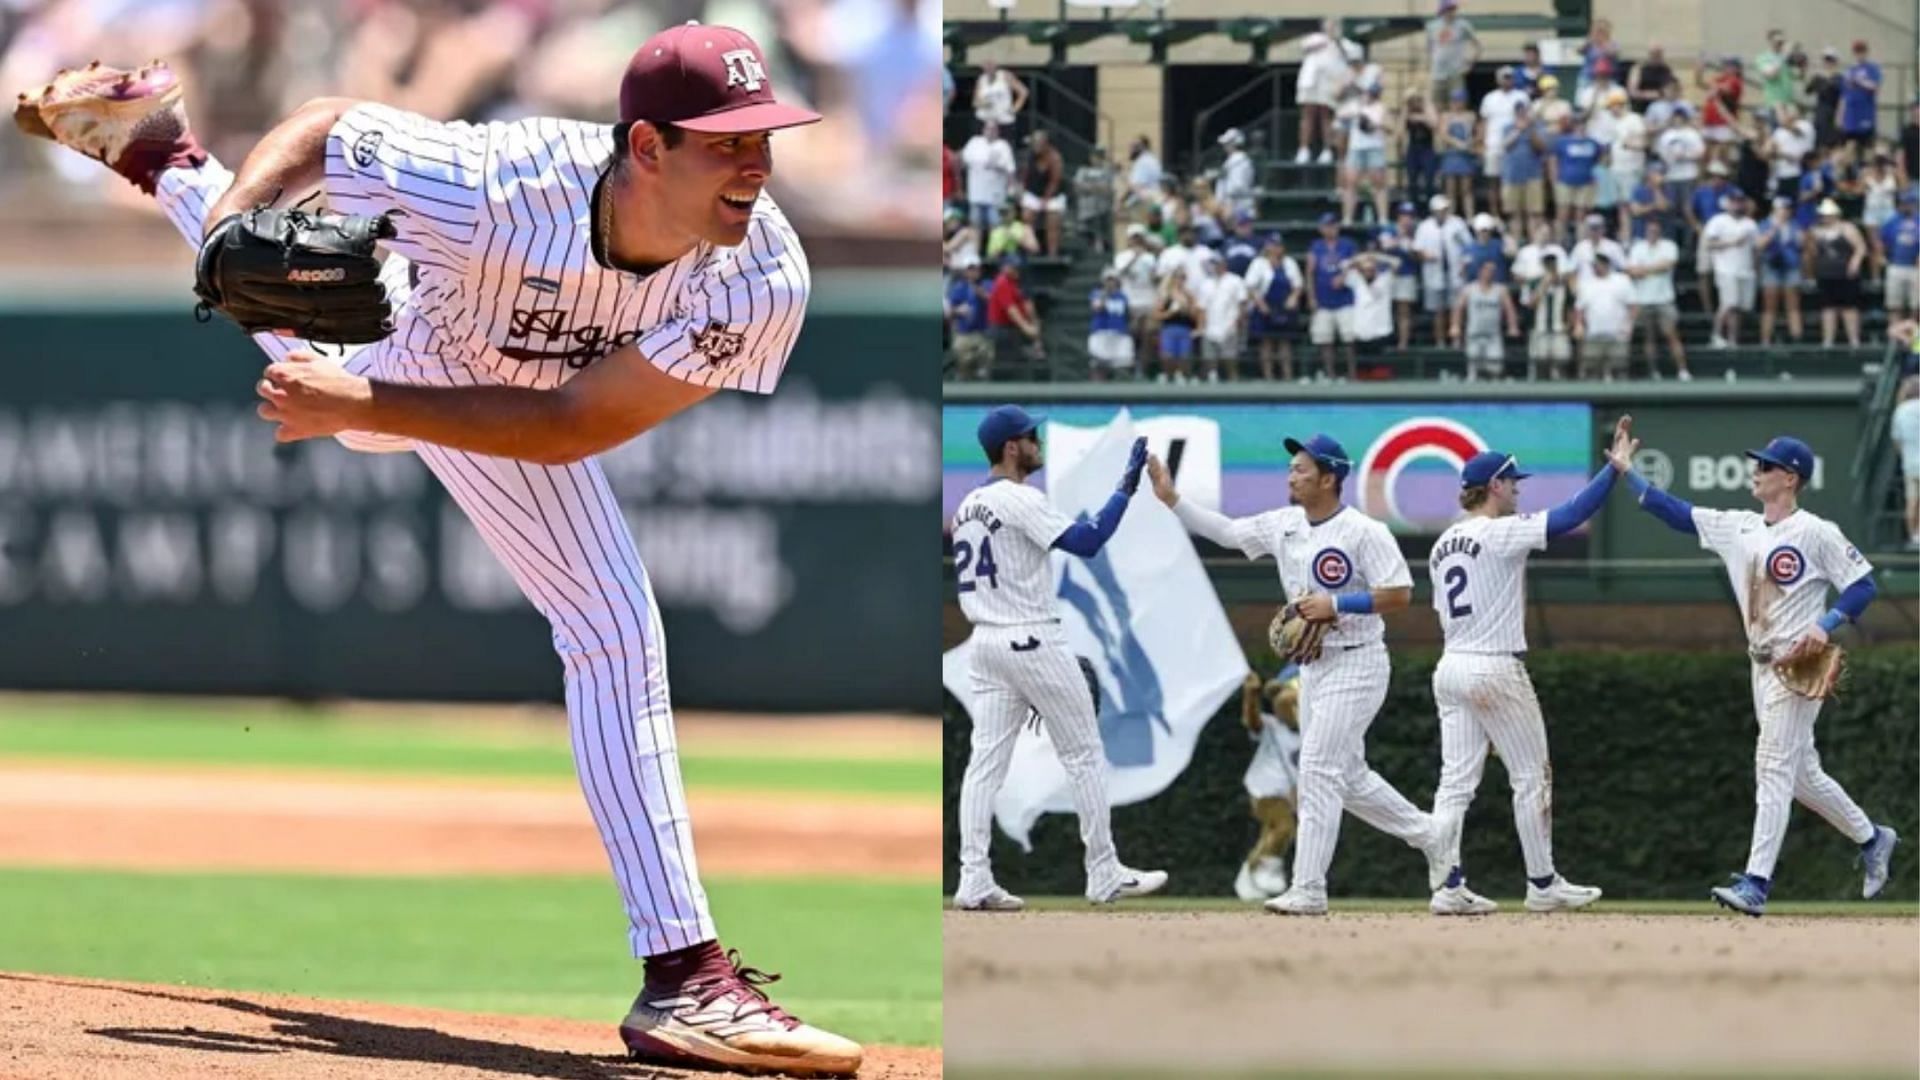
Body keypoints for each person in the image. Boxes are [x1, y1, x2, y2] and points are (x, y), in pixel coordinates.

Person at [17, 33, 862, 1074]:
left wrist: (364, 403)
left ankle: (682, 978)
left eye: (765, 138)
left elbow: (568, 423)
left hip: (505, 400)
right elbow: (328, 126)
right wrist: (241, 227)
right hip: (431, 333)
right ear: (646, 145)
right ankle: (171, 163)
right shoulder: (504, 184)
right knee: (290, 307)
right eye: (728, 144)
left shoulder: (763, 274)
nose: (757, 166)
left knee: (606, 619)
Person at [1146, 437, 1452, 917]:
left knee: (1316, 771)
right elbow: (1227, 532)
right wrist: (1173, 500)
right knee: (1347, 777)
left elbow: (1399, 593)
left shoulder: (1363, 531)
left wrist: (1338, 603)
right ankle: (1432, 834)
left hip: (1358, 660)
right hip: (1314, 668)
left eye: (1301, 470)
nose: (1291, 476)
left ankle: (1309, 888)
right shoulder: (1284, 524)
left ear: (1328, 478)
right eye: (1290, 468)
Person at [1616, 434, 1897, 917]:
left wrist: (1825, 623)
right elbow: (1673, 511)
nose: (1757, 470)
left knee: (1771, 767)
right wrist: (1626, 470)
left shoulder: (1816, 531)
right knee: (1801, 776)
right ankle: (1873, 837)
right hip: (1760, 665)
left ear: (1790, 477)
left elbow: (1862, 585)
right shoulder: (1739, 527)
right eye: (1758, 464)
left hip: (1797, 670)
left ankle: (1756, 884)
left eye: (1766, 465)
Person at [952, 409, 1168, 911]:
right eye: (1031, 436)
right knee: (1085, 753)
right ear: (1011, 447)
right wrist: (1125, 490)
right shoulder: (1019, 498)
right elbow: (1088, 542)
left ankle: (974, 878)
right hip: (1031, 638)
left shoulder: (968, 505)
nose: (1037, 442)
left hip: (986, 643)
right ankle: (1103, 871)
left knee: (983, 765)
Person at [1426, 427, 1635, 915]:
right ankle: (1542, 883)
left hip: (1450, 664)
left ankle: (1447, 885)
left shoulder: (1443, 543)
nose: (1518, 489)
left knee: (1454, 783)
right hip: (1494, 665)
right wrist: (1615, 469)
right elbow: (1572, 515)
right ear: (1494, 486)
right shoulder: (1500, 531)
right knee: (1531, 778)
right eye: (1512, 482)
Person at [1233, 668, 1303, 901]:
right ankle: (1268, 869)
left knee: (1270, 837)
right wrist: (1251, 695)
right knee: (1285, 827)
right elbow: (1252, 721)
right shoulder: (1273, 727)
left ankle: (1248, 873)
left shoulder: (1308, 733)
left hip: (1285, 792)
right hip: (1265, 789)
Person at [1627, 217, 1690, 379]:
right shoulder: (1637, 248)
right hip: (1643, 300)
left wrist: (1644, 270)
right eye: (1650, 230)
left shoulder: (1669, 246)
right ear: (1646, 232)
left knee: (1672, 335)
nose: (1652, 233)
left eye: (1655, 230)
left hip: (1664, 300)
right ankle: (1654, 372)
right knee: (1649, 338)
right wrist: (1653, 268)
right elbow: (1632, 272)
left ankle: (1683, 371)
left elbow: (1667, 265)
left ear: (1660, 232)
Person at [1702, 191, 1759, 348]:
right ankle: (1715, 335)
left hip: (1745, 270)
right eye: (1734, 201)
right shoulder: (1718, 221)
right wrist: (1731, 242)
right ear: (1728, 203)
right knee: (1728, 303)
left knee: (1739, 307)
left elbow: (1755, 249)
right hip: (1725, 269)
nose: (1737, 205)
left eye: (1740, 201)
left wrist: (1755, 269)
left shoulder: (1750, 224)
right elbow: (1709, 244)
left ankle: (1733, 339)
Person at [1415, 194, 1474, 346]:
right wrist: (1426, 256)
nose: (1442, 212)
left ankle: (1457, 340)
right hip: (1434, 274)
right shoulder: (1425, 227)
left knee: (1457, 309)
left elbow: (1468, 247)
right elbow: (1417, 250)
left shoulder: (1458, 224)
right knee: (1438, 311)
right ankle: (1440, 341)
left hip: (1456, 273)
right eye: (1438, 210)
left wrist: (1464, 265)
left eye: (1444, 209)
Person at [1809, 199, 1868, 347]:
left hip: (1846, 274)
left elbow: (1861, 248)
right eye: (1823, 215)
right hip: (1826, 274)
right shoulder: (1816, 231)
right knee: (1828, 308)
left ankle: (1854, 340)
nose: (1825, 217)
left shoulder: (1848, 228)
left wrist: (1854, 264)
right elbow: (1813, 252)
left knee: (1849, 307)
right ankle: (1828, 341)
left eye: (1828, 214)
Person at [1306, 214, 1359, 378]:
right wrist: (1311, 297)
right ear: (1321, 228)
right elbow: (1310, 272)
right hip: (1323, 299)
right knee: (1324, 339)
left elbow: (1356, 265)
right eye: (1327, 226)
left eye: (1333, 225)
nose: (1331, 229)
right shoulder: (1316, 246)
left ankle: (1352, 374)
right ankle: (1330, 375)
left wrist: (1343, 278)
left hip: (1345, 299)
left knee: (1349, 339)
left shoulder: (1348, 245)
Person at [1297, 19, 1356, 164]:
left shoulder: (1345, 43)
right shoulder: (1315, 38)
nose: (1331, 28)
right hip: (1310, 81)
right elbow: (1304, 47)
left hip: (1329, 83)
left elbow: (1352, 56)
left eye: (1334, 25)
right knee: (1308, 114)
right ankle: (1303, 150)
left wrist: (1337, 42)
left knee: (1326, 116)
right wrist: (1326, 40)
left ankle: (1327, 150)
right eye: (1328, 25)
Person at [1246, 235, 1304, 380]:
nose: (1275, 248)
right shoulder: (1258, 263)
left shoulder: (1289, 263)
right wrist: (1261, 305)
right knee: (1266, 343)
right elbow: (1250, 286)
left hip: (1285, 306)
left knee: (1285, 343)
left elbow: (1298, 285)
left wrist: (1293, 298)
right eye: (1272, 245)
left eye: (1278, 245)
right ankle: (1268, 376)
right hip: (1264, 306)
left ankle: (1287, 376)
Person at [1572, 254, 1637, 380]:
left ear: (1606, 264)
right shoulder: (1586, 284)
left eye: (1597, 264)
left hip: (1618, 335)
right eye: (1593, 265)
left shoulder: (1622, 280)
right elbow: (1579, 309)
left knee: (1619, 370)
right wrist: (1578, 325)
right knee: (1591, 372)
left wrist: (1629, 325)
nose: (1595, 268)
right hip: (1593, 335)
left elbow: (1633, 306)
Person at [1453, 259, 1520, 381]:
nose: (1490, 273)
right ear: (1481, 271)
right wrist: (1455, 326)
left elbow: (1509, 309)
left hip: (1493, 336)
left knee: (1495, 369)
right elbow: (1458, 309)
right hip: (1474, 335)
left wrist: (1513, 326)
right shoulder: (1469, 289)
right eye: (1488, 270)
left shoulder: (1500, 289)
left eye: (1493, 271)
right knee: (1473, 370)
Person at [1756, 197, 1807, 346]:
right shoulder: (1765, 224)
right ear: (1775, 209)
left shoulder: (1794, 225)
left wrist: (1801, 239)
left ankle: (1797, 340)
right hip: (1771, 266)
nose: (1785, 212)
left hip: (1790, 266)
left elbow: (1801, 245)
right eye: (1782, 208)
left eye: (1788, 209)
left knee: (1793, 305)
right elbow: (1759, 245)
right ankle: (1765, 341)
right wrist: (1773, 231)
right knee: (1770, 307)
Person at [1480, 67, 1530, 219]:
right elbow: (1484, 122)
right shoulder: (1489, 98)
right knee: (1493, 182)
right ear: (1498, 79)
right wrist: (1482, 144)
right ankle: (1495, 215)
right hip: (1493, 145)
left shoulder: (1522, 96)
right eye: (1504, 77)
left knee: (1512, 182)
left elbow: (1527, 119)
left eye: (1509, 77)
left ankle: (1512, 215)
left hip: (1515, 145)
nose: (1507, 80)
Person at [1339, 84, 1393, 225]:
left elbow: (1389, 127)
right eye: (1369, 93)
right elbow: (1340, 115)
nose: (1371, 96)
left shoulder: (1381, 108)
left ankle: (1382, 217)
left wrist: (1376, 125)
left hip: (1374, 147)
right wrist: (1357, 113)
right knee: (1350, 182)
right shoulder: (1355, 105)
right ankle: (1347, 218)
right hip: (1356, 148)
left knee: (1378, 183)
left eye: (1374, 94)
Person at [1196, 251, 1251, 382]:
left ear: (1224, 264)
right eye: (1212, 264)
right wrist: (1201, 326)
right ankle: (1211, 382)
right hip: (1210, 326)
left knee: (1230, 358)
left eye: (1217, 264)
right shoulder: (1206, 283)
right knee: (1209, 359)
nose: (1214, 267)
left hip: (1229, 325)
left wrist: (1239, 321)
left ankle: (1233, 380)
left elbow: (1242, 302)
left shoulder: (1235, 280)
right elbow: (1201, 308)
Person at [1113, 225, 1162, 369]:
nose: (1136, 241)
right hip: (1130, 299)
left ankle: (1142, 366)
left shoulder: (1150, 257)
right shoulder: (1121, 256)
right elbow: (1120, 273)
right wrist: (1135, 257)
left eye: (1139, 238)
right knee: (1132, 333)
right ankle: (1129, 364)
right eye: (1134, 238)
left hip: (1147, 298)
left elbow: (1155, 279)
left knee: (1147, 334)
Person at [1342, 252, 1400, 372]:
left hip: (1381, 330)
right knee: (1363, 369)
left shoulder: (1385, 279)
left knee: (1380, 369)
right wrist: (1362, 258)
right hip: (1361, 331)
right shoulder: (1356, 281)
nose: (1368, 272)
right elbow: (1344, 265)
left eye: (1371, 269)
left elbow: (1396, 263)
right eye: (1366, 270)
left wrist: (1376, 257)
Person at [1656, 105, 1707, 240]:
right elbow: (1662, 155)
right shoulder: (1666, 135)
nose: (1678, 120)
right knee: (1670, 211)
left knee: (1688, 211)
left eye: (1680, 117)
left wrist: (1685, 156)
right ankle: (1670, 241)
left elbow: (1700, 153)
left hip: (1688, 176)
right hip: (1671, 177)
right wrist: (1671, 157)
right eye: (1675, 117)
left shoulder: (1692, 134)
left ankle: (1687, 244)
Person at [1548, 113, 1602, 238]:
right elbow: (1553, 160)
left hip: (1585, 182)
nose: (1580, 126)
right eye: (1578, 123)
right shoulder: (1563, 141)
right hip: (1565, 180)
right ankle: (1559, 241)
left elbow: (1598, 159)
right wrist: (1554, 178)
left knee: (1581, 213)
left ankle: (1580, 241)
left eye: (1583, 123)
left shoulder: (1593, 143)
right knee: (1562, 213)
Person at [988, 256, 1045, 373]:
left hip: (1012, 331)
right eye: (1013, 267)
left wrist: (1034, 323)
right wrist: (1027, 329)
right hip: (1001, 331)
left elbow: (1026, 304)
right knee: (1006, 369)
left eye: (1017, 267)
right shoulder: (1002, 282)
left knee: (1018, 366)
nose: (1016, 270)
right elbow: (1011, 311)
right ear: (1005, 268)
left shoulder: (1014, 282)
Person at [1605, 89, 1649, 239]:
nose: (1611, 110)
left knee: (1633, 205)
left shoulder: (1634, 119)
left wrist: (1628, 144)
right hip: (1617, 169)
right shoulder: (1615, 123)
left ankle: (1635, 236)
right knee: (1621, 206)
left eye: (1613, 106)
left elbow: (1642, 143)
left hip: (1631, 169)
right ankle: (1626, 236)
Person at [1500, 101, 1547, 239]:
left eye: (1524, 111)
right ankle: (1516, 243)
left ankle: (1535, 243)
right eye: (1519, 112)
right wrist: (1519, 130)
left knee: (1534, 212)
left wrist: (1530, 130)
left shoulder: (1537, 127)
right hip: (1512, 175)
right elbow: (1505, 145)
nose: (1522, 114)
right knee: (1514, 213)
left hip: (1533, 176)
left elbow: (1541, 147)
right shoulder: (1507, 127)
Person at [1524, 253, 1575, 380]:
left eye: (1553, 264)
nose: (1551, 267)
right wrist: (1543, 285)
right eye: (1548, 264)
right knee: (1539, 363)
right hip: (1540, 329)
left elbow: (1570, 306)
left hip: (1559, 329)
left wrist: (1569, 325)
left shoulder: (1564, 284)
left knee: (1560, 364)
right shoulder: (1534, 283)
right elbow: (1530, 304)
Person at [1381, 203, 1424, 348]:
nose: (1407, 219)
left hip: (1407, 274)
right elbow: (1385, 246)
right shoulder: (1389, 229)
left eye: (1410, 216)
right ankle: (1385, 339)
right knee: (1386, 308)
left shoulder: (1417, 232)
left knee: (1404, 310)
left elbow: (1418, 255)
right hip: (1388, 274)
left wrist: (1411, 246)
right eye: (1404, 215)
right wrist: (1401, 237)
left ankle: (1403, 343)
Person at [961, 119, 1016, 233]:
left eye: (993, 129)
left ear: (998, 131)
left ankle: (993, 250)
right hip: (976, 194)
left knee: (995, 226)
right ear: (983, 130)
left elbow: (1010, 169)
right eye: (988, 128)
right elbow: (964, 161)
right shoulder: (974, 142)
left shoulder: (1003, 146)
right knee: (975, 226)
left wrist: (1010, 187)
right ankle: (975, 250)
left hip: (995, 195)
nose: (990, 131)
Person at [1426, 0, 1482, 107]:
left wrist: (1470, 64)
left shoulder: (1463, 25)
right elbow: (1429, 48)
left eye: (1453, 9)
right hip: (1437, 73)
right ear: (1442, 10)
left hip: (1456, 73)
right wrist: (1430, 65)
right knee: (1437, 105)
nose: (1452, 11)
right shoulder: (1432, 26)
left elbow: (1478, 46)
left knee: (1458, 104)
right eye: (1448, 9)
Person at [1020, 130, 1065, 257]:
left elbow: (1055, 181)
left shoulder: (1055, 157)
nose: (1035, 146)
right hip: (1033, 193)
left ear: (1045, 144)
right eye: (1034, 143)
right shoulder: (1030, 156)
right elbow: (1025, 176)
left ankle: (1052, 253)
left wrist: (1045, 200)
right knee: (1027, 216)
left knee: (1053, 219)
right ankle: (1031, 249)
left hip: (1052, 195)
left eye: (1038, 143)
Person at [946, 257, 993, 379]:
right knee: (962, 359)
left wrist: (980, 294)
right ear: (965, 271)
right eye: (970, 269)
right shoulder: (959, 287)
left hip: (983, 333)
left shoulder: (987, 284)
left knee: (984, 366)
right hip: (964, 333)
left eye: (975, 268)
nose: (973, 272)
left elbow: (992, 302)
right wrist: (958, 310)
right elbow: (949, 312)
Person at [1878, 191, 1920, 322]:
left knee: (1916, 305)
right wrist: (1881, 255)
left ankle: (1916, 338)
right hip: (1896, 265)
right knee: (1894, 305)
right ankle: (1896, 336)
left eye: (1909, 203)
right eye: (1903, 203)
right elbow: (1881, 240)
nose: (1906, 206)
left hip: (1916, 267)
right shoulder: (1892, 222)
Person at [1437, 88, 1479, 216]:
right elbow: (1443, 134)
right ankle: (1450, 215)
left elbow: (1476, 133)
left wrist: (1470, 143)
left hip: (1465, 155)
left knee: (1467, 189)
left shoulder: (1470, 116)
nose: (1457, 104)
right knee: (1450, 190)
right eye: (1454, 101)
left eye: (1459, 101)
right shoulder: (1446, 116)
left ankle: (1470, 217)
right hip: (1452, 154)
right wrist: (1458, 143)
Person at [1087, 269, 1135, 381]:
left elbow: (1128, 314)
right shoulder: (1096, 294)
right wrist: (1105, 294)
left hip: (1119, 334)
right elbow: (1096, 308)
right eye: (1108, 280)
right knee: (1099, 367)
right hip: (1101, 334)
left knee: (1123, 366)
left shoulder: (1123, 296)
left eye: (1112, 280)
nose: (1110, 282)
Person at [1763, 103, 1816, 202]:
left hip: (1799, 173)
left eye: (1789, 110)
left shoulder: (1805, 125)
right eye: (1786, 110)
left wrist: (1778, 107)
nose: (1786, 113)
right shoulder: (1779, 131)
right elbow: (1768, 150)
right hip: (1781, 174)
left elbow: (1791, 128)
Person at [1156, 267, 1200, 382]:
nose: (1180, 280)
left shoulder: (1189, 295)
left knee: (1184, 356)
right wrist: (1171, 312)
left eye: (1183, 278)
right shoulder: (1166, 295)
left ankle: (1181, 374)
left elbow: (1195, 315)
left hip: (1184, 328)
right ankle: (1167, 375)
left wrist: (1188, 310)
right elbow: (1157, 315)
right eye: (1178, 278)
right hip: (1169, 328)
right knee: (1167, 355)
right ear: (1173, 279)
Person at [1892, 375, 1920, 549]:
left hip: (1909, 463)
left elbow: (1897, 440)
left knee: (1912, 500)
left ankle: (1913, 537)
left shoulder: (1900, 410)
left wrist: (1905, 455)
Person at [1841, 40, 1882, 158]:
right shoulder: (1848, 71)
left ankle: (1866, 172)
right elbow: (1844, 95)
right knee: (1849, 147)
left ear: (1866, 52)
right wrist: (1841, 116)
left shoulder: (1872, 68)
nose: (1859, 54)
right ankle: (1849, 174)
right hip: (1851, 116)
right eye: (1857, 51)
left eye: (1862, 51)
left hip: (1865, 115)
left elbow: (1875, 87)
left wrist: (1859, 82)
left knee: (1868, 149)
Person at [1073, 146, 1118, 254]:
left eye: (1099, 156)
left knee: (1103, 235)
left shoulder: (1107, 171)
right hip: (1086, 210)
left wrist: (1089, 187)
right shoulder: (1083, 171)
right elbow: (1077, 187)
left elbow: (1109, 189)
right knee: (1087, 235)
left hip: (1103, 209)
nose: (1097, 159)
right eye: (1095, 156)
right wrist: (1095, 188)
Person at [1568, 213, 1626, 293]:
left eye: (1597, 228)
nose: (1595, 232)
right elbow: (1572, 272)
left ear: (1603, 229)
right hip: (1585, 291)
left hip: (1608, 291)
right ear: (1587, 230)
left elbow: (1623, 269)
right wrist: (1574, 290)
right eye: (1592, 228)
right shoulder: (1580, 247)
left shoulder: (1613, 247)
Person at [1402, 90, 1439, 207]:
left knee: (1429, 179)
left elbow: (1435, 124)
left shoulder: (1427, 108)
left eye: (1417, 99)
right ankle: (1414, 207)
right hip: (1413, 148)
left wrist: (1421, 117)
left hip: (1427, 148)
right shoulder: (1407, 110)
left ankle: (1430, 207)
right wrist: (1405, 111)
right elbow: (1399, 130)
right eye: (1412, 100)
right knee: (1412, 181)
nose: (1415, 102)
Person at [1807, 48, 1846, 150]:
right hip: (1820, 114)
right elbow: (1807, 91)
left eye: (1831, 60)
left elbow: (1843, 98)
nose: (1828, 63)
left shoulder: (1840, 79)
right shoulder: (1818, 78)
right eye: (1826, 60)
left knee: (1833, 144)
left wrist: (1840, 117)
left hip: (1833, 114)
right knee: (1819, 144)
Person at [1511, 220, 1567, 290]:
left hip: (1552, 288)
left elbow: (1565, 274)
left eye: (1547, 234)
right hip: (1531, 287)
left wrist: (1553, 277)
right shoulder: (1525, 251)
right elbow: (1516, 275)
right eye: (1543, 234)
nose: (1545, 237)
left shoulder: (1558, 250)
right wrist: (1530, 282)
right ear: (1535, 233)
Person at [1215, 128, 1257, 220]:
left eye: (1227, 143)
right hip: (1231, 207)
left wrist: (1229, 206)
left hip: (1237, 209)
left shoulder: (1240, 160)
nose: (1224, 146)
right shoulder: (1233, 159)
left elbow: (1237, 186)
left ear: (1233, 144)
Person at [972, 61, 1027, 132]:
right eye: (986, 65)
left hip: (1004, 120)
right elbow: (975, 102)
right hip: (984, 120)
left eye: (990, 64)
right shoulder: (981, 79)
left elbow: (1023, 92)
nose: (988, 67)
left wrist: (1015, 108)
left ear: (995, 65)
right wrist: (984, 104)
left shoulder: (1005, 75)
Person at [1755, 29, 1800, 112]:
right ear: (1770, 41)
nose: (1781, 44)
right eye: (1778, 41)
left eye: (1783, 42)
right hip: (1774, 103)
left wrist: (1801, 64)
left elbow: (1798, 76)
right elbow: (1771, 75)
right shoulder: (1763, 58)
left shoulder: (1787, 58)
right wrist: (1784, 55)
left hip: (1789, 102)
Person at [1126, 135, 1163, 206]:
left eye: (1133, 146)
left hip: (1146, 202)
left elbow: (1136, 187)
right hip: (1155, 199)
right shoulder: (1152, 159)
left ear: (1141, 147)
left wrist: (1122, 201)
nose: (1130, 150)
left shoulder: (1142, 162)